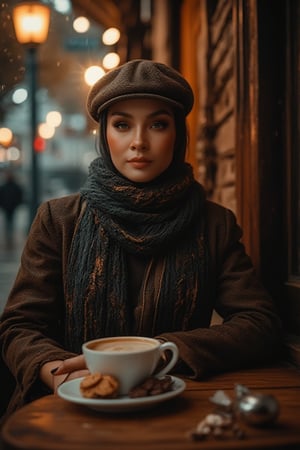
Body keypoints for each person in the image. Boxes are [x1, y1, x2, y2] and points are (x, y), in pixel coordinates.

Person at [0, 59, 283, 422]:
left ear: (178, 133)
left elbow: (259, 323)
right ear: (104, 134)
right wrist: (61, 374)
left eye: (158, 124)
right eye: (122, 124)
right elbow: (19, 327)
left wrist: (165, 353)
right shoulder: (59, 219)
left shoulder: (213, 224)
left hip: (175, 411)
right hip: (69, 411)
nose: (138, 142)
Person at [0, 171, 23, 246]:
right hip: (10, 206)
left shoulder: (4, 186)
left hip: (8, 206)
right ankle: (9, 234)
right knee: (10, 221)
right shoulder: (15, 186)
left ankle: (9, 234)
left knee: (9, 221)